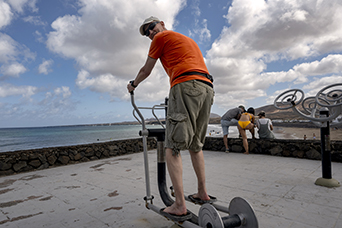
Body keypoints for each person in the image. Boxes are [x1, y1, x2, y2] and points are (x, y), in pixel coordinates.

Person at [127, 16, 215, 219]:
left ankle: (179, 204)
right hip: (206, 87)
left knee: (172, 147)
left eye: (151, 27)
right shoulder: (186, 39)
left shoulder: (162, 37)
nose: (150, 33)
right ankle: (202, 193)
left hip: (185, 84)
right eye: (147, 33)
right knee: (195, 145)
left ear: (161, 24)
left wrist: (133, 84)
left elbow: (146, 70)